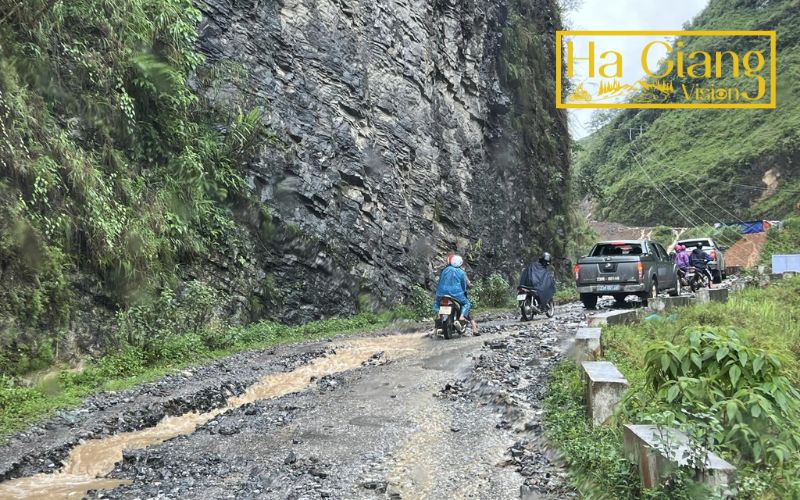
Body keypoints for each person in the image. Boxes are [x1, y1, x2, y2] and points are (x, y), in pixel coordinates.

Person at [433, 255, 479, 335]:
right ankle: (461, 317)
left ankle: (438, 315)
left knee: (437, 304)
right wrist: (464, 290)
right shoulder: (461, 272)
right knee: (466, 303)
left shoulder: (445, 270)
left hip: (441, 293)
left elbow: (440, 281)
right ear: (460, 263)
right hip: (456, 294)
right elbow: (463, 285)